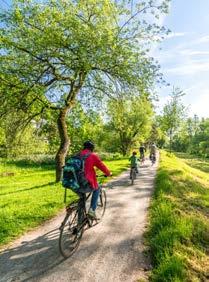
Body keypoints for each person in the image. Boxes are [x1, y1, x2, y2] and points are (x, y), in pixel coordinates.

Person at [79, 140, 111, 219]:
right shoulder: (92, 156)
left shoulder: (77, 154)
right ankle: (92, 211)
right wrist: (108, 173)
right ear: (92, 148)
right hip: (85, 181)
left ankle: (79, 217)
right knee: (97, 188)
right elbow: (101, 166)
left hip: (74, 181)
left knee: (81, 196)